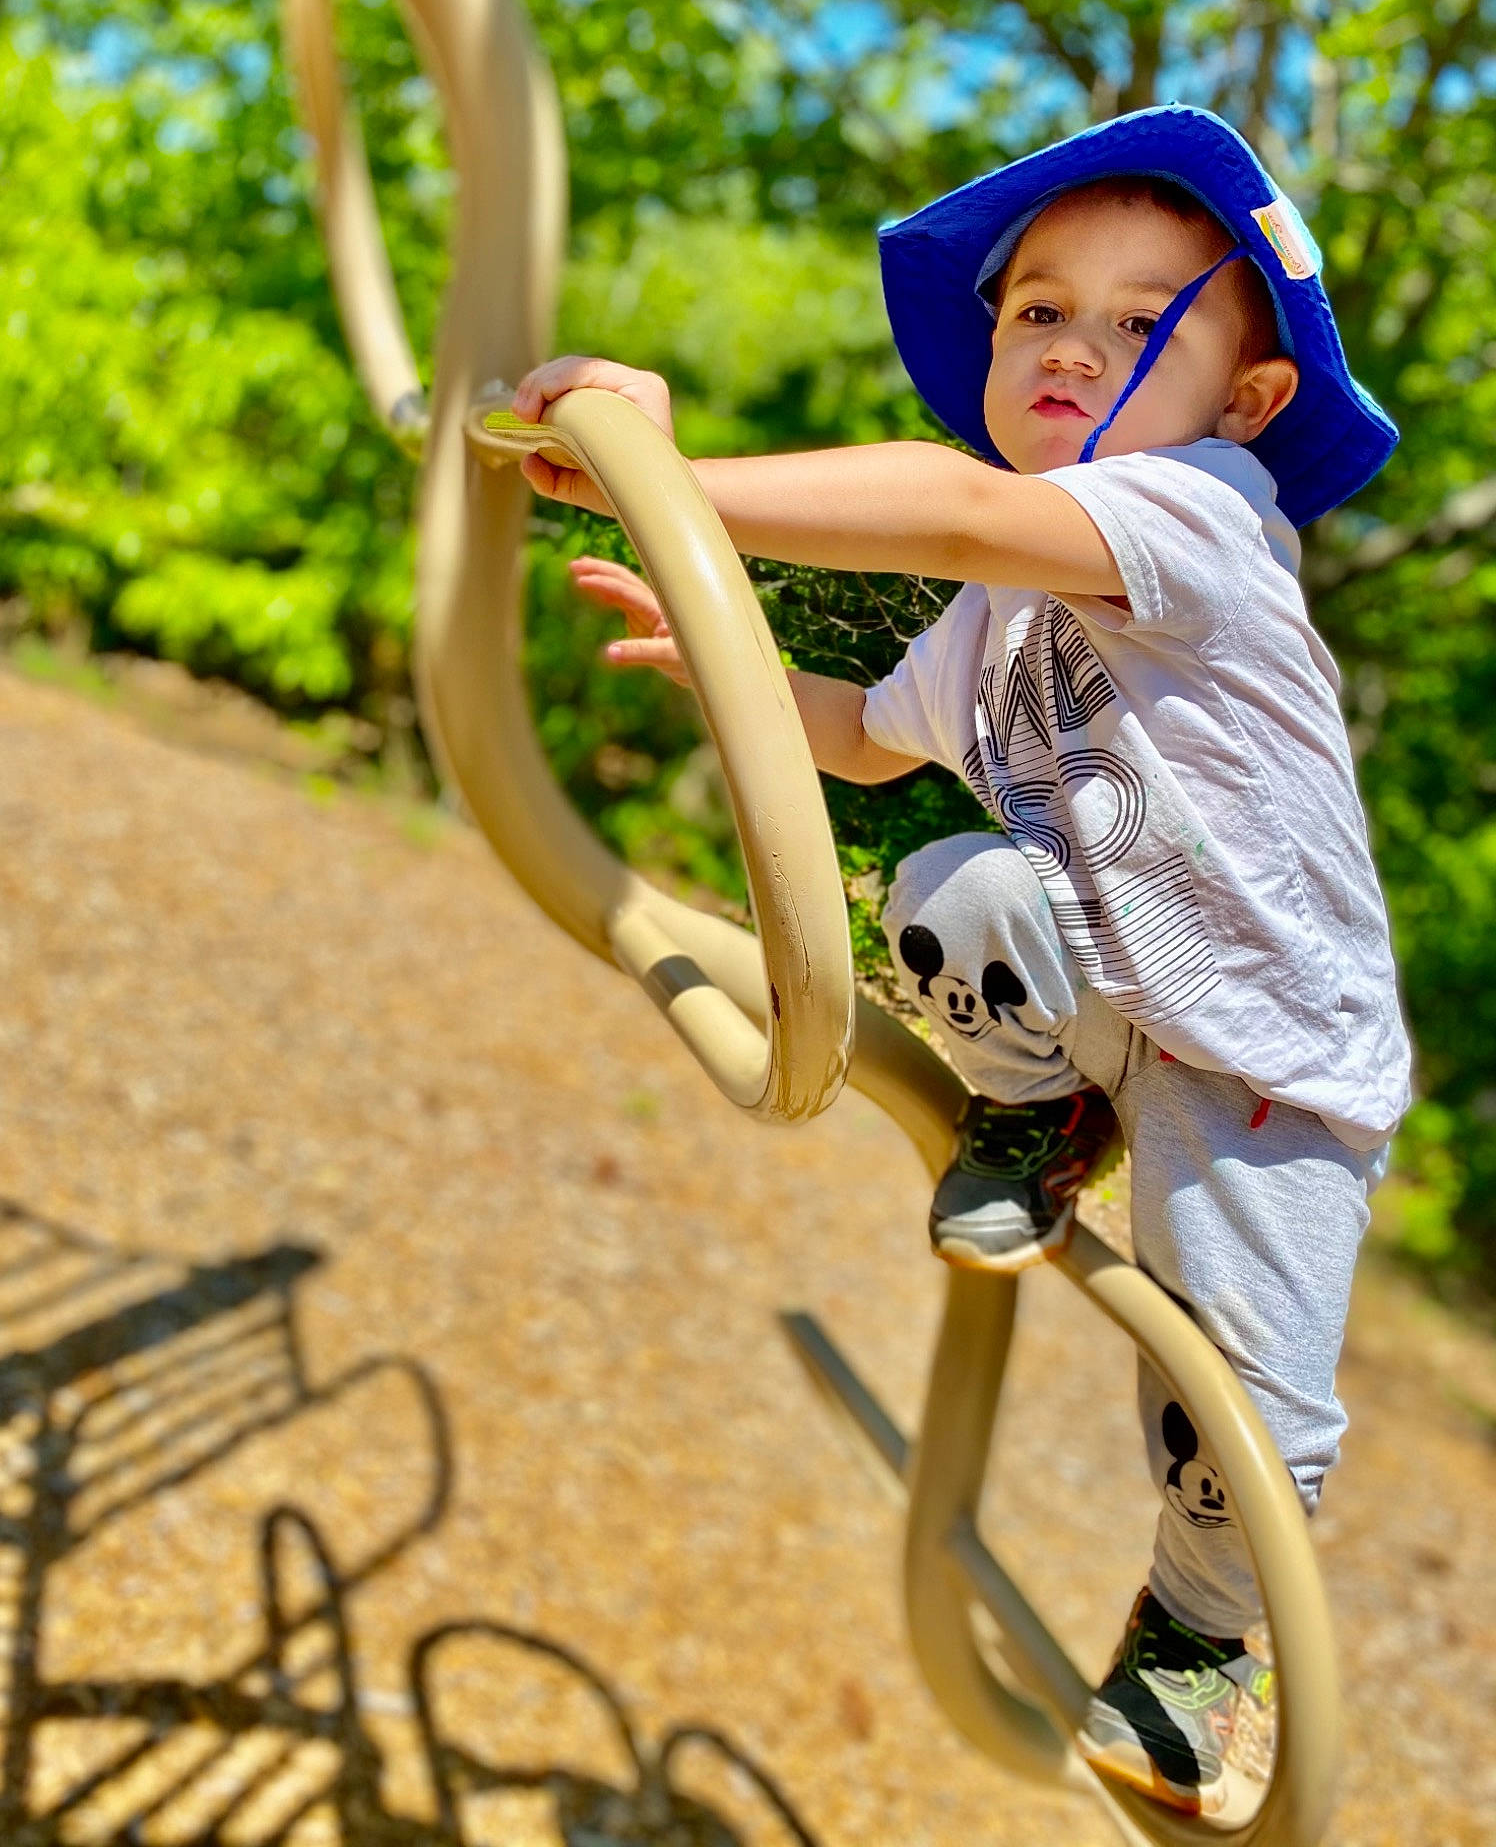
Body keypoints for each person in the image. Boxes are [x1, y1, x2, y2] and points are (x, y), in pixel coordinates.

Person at [508, 104, 1410, 1818]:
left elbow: (952, 513)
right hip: (1093, 986)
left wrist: (684, 486)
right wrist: (721, 658)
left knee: (1223, 1404)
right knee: (950, 878)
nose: (1074, 346)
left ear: (1251, 399)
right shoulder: (992, 603)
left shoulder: (1200, 517)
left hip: (1265, 1051)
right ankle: (1040, 1108)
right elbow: (861, 737)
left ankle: (1205, 1637)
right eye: (1038, 311)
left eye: (1144, 325)